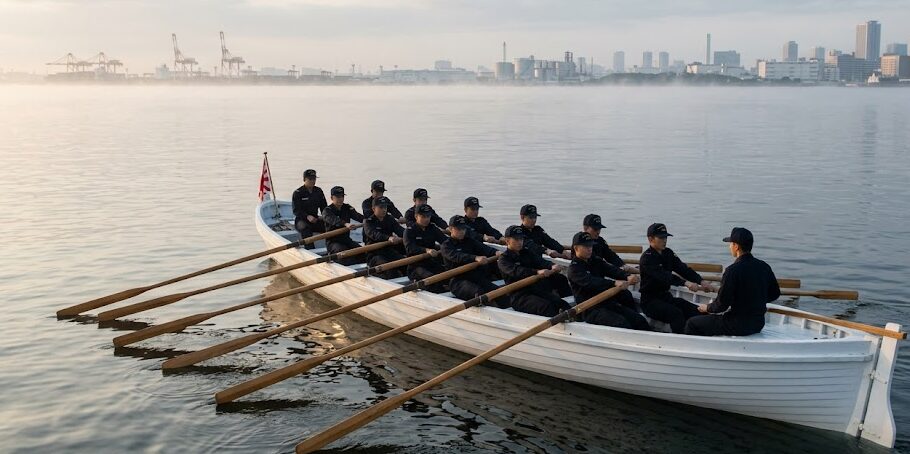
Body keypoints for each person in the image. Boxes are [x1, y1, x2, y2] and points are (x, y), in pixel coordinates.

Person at [685, 227, 781, 336]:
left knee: (692, 323)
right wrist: (755, 300)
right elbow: (775, 293)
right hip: (757, 324)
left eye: (730, 243)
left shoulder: (732, 271)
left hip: (737, 325)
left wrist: (707, 307)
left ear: (736, 246)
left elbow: (722, 305)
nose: (729, 246)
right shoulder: (764, 266)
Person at [638, 223, 712, 334]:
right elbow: (665, 277)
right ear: (650, 239)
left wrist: (701, 281)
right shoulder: (647, 259)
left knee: (696, 311)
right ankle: (682, 341)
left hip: (666, 297)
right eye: (661, 237)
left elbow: (683, 269)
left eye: (666, 237)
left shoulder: (668, 253)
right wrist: (685, 283)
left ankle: (706, 334)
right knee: (676, 314)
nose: (665, 240)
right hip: (650, 302)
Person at [567, 232, 650, 330]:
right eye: (586, 246)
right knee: (621, 323)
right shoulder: (574, 269)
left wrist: (626, 276)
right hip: (589, 309)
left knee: (639, 320)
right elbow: (592, 282)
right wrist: (614, 283)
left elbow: (611, 270)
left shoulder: (595, 260)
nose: (590, 249)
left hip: (606, 303)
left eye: (591, 246)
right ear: (576, 248)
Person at [498, 225, 571, 317]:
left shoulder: (526, 252)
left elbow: (540, 261)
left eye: (521, 239)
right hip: (519, 295)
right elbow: (518, 271)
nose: (520, 242)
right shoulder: (504, 260)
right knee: (547, 307)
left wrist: (552, 265)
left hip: (535, 289)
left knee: (561, 303)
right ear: (507, 241)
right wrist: (536, 272)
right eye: (516, 239)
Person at [441, 215, 504, 307]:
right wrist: (475, 258)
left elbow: (484, 248)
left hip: (475, 277)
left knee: (499, 292)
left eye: (463, 229)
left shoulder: (469, 241)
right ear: (450, 229)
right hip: (457, 281)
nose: (462, 231)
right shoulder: (446, 246)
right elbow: (458, 256)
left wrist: (496, 252)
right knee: (478, 293)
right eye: (459, 229)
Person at [403, 204, 448, 291]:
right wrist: (426, 250)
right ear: (416, 216)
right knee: (432, 279)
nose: (426, 219)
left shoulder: (432, 228)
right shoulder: (409, 231)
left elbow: (445, 241)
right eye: (423, 216)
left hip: (430, 262)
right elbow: (410, 248)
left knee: (448, 275)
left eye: (428, 216)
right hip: (415, 266)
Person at [362, 196, 406, 278]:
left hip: (388, 251)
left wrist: (410, 235)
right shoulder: (368, 222)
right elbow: (374, 234)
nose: (384, 210)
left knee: (406, 265)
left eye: (385, 207)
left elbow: (400, 230)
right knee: (391, 271)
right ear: (373, 208)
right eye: (381, 207)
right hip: (374, 254)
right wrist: (388, 238)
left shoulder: (390, 219)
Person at [321, 186, 365, 265]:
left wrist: (369, 221)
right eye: (338, 197)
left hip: (346, 240)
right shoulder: (327, 211)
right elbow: (333, 220)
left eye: (342, 196)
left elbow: (358, 217)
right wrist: (345, 224)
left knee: (363, 253)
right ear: (332, 198)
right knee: (344, 255)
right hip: (333, 242)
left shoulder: (347, 207)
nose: (340, 199)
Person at [291, 169, 327, 249]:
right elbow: (296, 211)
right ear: (304, 179)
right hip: (301, 220)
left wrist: (325, 216)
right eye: (310, 179)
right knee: (305, 229)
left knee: (330, 225)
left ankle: (333, 247)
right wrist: (307, 216)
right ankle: (311, 250)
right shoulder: (298, 193)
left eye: (314, 179)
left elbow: (324, 207)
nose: (313, 181)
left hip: (315, 218)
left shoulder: (318, 191)